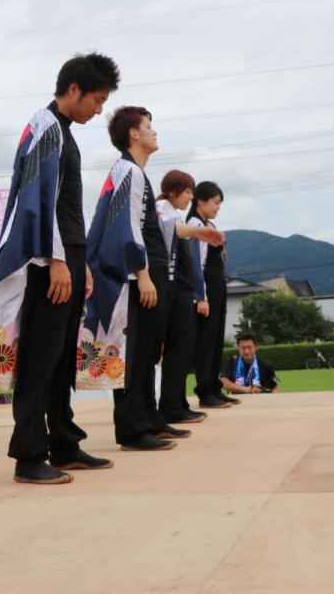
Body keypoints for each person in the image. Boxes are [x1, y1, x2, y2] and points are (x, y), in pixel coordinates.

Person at [0, 53, 120, 484]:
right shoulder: (45, 127)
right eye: (97, 100)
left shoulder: (64, 132)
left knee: (62, 358)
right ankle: (28, 454)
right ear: (74, 89)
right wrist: (58, 260)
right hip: (49, 259)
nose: (99, 110)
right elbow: (38, 200)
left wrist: (81, 264)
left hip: (69, 256)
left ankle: (64, 442)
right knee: (41, 358)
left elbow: (63, 203)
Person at [91, 107, 223, 452]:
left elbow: (154, 226)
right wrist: (143, 274)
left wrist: (196, 233)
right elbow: (127, 226)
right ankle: (132, 429)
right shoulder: (128, 171)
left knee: (148, 353)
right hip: (138, 279)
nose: (154, 132)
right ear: (134, 133)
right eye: (149, 126)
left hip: (147, 276)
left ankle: (149, 419)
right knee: (135, 355)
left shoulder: (135, 173)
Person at [155, 171, 207, 425]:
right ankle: (171, 406)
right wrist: (198, 233)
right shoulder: (161, 209)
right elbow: (170, 231)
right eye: (187, 191)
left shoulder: (173, 212)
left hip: (182, 290)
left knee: (183, 350)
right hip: (172, 289)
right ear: (173, 191)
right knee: (177, 350)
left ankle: (178, 402)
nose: (190, 196)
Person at [187, 182, 236, 407]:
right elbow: (197, 263)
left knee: (216, 340)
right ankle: (204, 390)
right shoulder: (195, 225)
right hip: (206, 288)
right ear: (201, 201)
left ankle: (215, 387)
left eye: (219, 203)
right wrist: (201, 297)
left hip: (218, 286)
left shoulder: (209, 224)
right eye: (215, 202)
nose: (218, 207)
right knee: (205, 341)